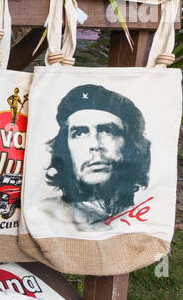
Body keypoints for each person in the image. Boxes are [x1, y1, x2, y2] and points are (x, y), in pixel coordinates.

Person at [38, 84, 149, 228]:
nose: (95, 144)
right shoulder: (42, 215)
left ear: (130, 145)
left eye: (108, 131)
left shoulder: (149, 213)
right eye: (80, 133)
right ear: (65, 148)